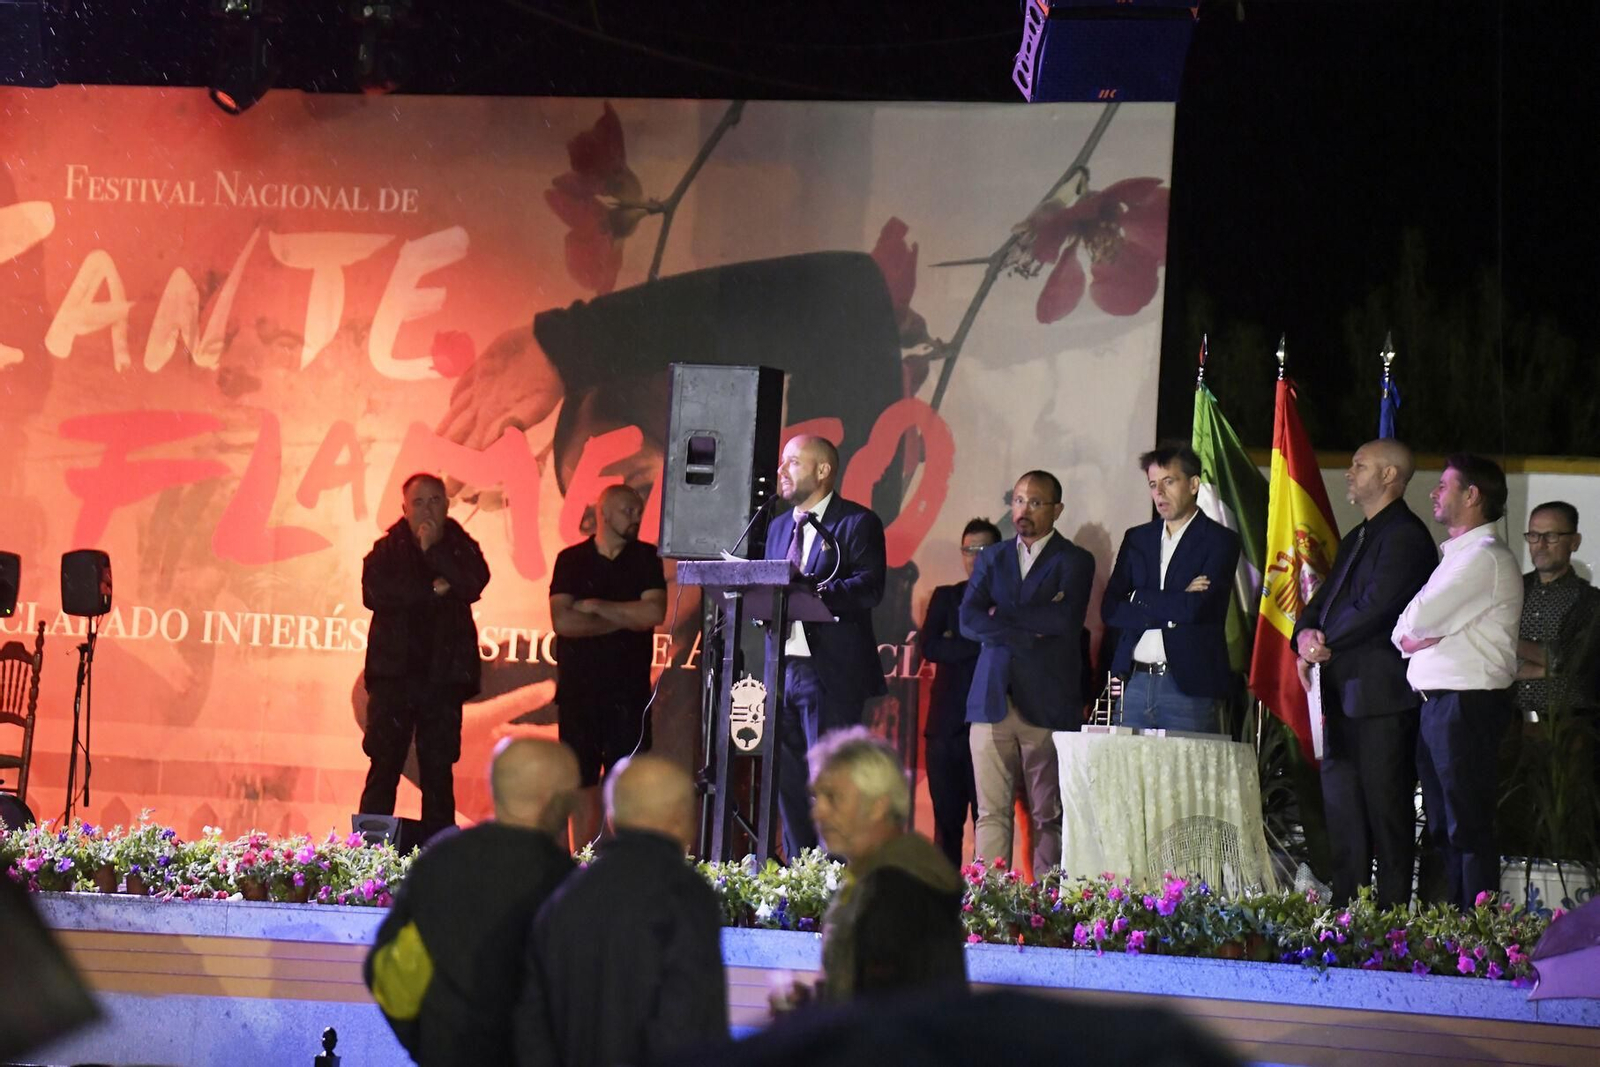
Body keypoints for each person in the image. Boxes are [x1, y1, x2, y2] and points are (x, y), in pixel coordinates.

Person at [366, 738, 579, 1065]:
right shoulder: (569, 885)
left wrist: (430, 1045)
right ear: (557, 801)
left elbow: (391, 978)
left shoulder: (441, 862)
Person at [1292, 439, 1437, 907]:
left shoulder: (1407, 536)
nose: (1349, 473)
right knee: (1345, 815)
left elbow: (1377, 606)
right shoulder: (1359, 535)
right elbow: (1321, 602)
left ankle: (1392, 924)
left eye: (1359, 465)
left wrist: (1321, 641)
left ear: (1390, 475)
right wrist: (1304, 634)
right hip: (1338, 696)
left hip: (1381, 702)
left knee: (1387, 814)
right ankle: (1346, 914)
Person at [518, 755, 728, 1067]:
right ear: (682, 819)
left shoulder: (563, 898)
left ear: (612, 819)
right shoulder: (686, 894)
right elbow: (689, 1022)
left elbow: (531, 1026)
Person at [1391, 454, 1522, 911]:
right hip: (1438, 704)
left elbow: (1420, 617)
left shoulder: (1485, 558)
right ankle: (1458, 922)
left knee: (1467, 823)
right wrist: (1419, 632)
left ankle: (1476, 927)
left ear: (1473, 495)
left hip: (1466, 704)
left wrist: (1420, 630)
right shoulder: (1455, 558)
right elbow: (1403, 629)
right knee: (1445, 824)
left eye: (1444, 485)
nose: (1434, 492)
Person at [959, 470, 1094, 872]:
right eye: (1018, 500)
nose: (1024, 510)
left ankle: (1047, 912)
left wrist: (1001, 618)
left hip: (1048, 702)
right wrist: (1026, 628)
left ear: (1057, 509)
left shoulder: (1075, 560)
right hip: (991, 700)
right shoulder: (993, 557)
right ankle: (990, 907)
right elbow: (968, 618)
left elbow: (1064, 621)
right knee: (990, 813)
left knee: (1048, 815)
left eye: (1035, 502)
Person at [762, 435, 887, 856]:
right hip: (781, 669)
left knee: (830, 783)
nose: (782, 472)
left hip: (828, 673)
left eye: (792, 463)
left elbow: (869, 587)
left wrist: (814, 594)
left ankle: (834, 880)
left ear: (822, 471)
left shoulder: (856, 522)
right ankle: (800, 881)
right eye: (782, 463)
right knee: (788, 782)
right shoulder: (778, 526)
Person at [784, 727, 965, 1006]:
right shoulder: (874, 877)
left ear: (879, 806)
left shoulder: (897, 892)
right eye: (815, 797)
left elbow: (884, 1022)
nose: (817, 812)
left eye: (833, 797)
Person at [360, 472, 491, 838]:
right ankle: (366, 860)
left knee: (438, 770)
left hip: (443, 679)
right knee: (384, 766)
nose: (427, 509)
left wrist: (435, 549)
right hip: (394, 679)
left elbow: (475, 581)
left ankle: (439, 852)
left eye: (434, 500)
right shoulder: (385, 550)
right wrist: (434, 589)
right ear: (404, 509)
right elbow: (377, 593)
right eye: (418, 502)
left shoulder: (461, 546)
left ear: (448, 505)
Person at [549, 484, 668, 847]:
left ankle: (625, 864)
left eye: (638, 512)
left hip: (628, 694)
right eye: (628, 511)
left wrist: (598, 606)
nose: (636, 518)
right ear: (603, 513)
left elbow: (654, 612)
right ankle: (581, 863)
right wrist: (625, 617)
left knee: (627, 783)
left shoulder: (647, 558)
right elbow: (563, 622)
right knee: (581, 782)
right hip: (578, 692)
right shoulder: (571, 560)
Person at [1101, 445, 1241, 734]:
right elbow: (1111, 608)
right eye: (1153, 484)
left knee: (1186, 777)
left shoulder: (1219, 540)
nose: (1159, 493)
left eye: (1169, 481)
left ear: (1192, 484)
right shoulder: (1137, 538)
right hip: (1134, 682)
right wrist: (1174, 604)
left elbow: (1196, 609)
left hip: (1189, 687)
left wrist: (1138, 597)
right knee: (1129, 776)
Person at [917, 517, 1001, 868]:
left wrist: (961, 639)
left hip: (991, 727)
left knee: (991, 823)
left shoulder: (1009, 602)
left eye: (983, 550)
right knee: (946, 825)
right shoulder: (946, 597)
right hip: (945, 730)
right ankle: (942, 908)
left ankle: (986, 905)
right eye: (968, 550)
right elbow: (931, 647)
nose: (974, 557)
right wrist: (983, 640)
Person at [1514, 501, 1600, 723]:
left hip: (1569, 726)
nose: (1540, 544)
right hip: (1509, 722)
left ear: (1574, 542)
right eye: (1533, 535)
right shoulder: (1511, 590)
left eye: (1551, 536)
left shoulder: (1590, 601)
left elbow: (1569, 660)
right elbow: (1487, 653)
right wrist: (1547, 664)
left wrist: (1509, 643)